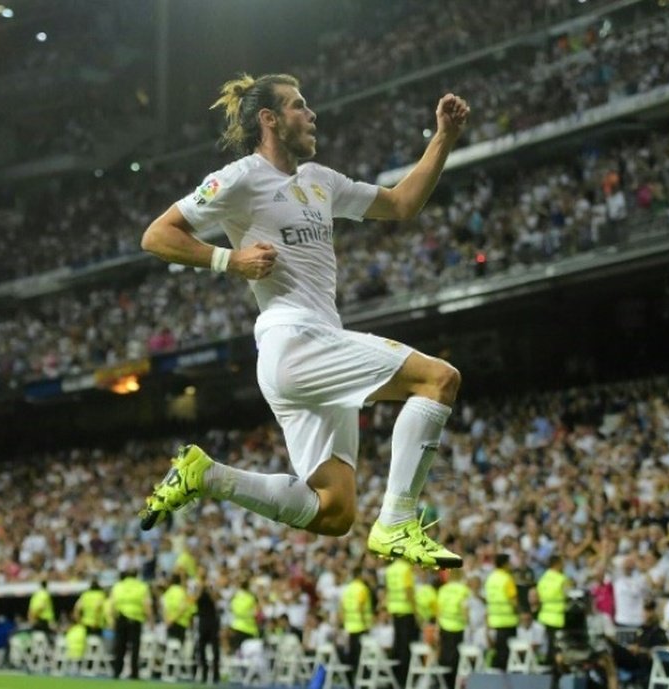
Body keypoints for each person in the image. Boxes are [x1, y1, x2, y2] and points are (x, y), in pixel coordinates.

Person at [137, 72, 470, 569]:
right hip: (291, 338)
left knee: (333, 512)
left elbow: (402, 204)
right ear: (269, 120)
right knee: (438, 379)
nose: (311, 114)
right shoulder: (240, 177)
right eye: (298, 106)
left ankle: (206, 476)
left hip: (313, 348)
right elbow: (157, 236)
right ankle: (399, 520)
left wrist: (443, 138)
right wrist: (231, 261)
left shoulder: (321, 181)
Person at [109, 568, 152, 680]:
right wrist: (150, 620)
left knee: (120, 647)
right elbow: (147, 605)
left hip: (121, 619)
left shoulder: (118, 586)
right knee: (135, 648)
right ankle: (134, 673)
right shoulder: (142, 586)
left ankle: (117, 672)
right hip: (135, 620)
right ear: (137, 575)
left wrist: (113, 620)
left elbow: (112, 605)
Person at [385, 557, 418, 686]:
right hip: (406, 611)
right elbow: (408, 591)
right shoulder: (406, 570)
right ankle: (404, 680)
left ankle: (395, 678)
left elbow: (389, 590)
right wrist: (416, 612)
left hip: (394, 610)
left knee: (397, 645)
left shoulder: (390, 570)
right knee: (405, 647)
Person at [437, 568, 471, 689]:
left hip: (444, 626)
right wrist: (470, 625)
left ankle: (445, 684)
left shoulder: (443, 590)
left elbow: (439, 611)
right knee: (457, 659)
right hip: (458, 627)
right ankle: (456, 684)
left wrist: (438, 627)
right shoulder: (464, 590)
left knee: (445, 658)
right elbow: (465, 609)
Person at [340, 565, 373, 687]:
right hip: (360, 627)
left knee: (351, 657)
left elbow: (342, 608)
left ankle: (351, 682)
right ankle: (363, 682)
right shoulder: (362, 589)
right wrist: (366, 624)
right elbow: (360, 606)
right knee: (362, 658)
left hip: (349, 626)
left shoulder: (347, 589)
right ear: (359, 575)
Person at [485, 553, 518, 670]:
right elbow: (513, 601)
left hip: (494, 620)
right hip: (507, 621)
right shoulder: (507, 579)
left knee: (498, 652)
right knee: (507, 655)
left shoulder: (490, 578)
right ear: (505, 564)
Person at [535, 555, 568, 662]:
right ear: (557, 564)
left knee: (549, 644)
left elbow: (538, 597)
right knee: (557, 647)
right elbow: (568, 595)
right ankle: (555, 669)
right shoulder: (562, 579)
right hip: (558, 618)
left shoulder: (542, 579)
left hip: (544, 616)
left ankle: (547, 665)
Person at [195, 580, 221, 684]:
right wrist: (200, 589)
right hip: (203, 622)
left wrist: (211, 590)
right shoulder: (199, 593)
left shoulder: (212, 593)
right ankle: (204, 673)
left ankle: (215, 674)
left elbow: (216, 601)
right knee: (201, 648)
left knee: (215, 649)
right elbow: (194, 599)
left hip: (212, 622)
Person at [229, 575, 260, 652]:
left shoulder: (234, 597)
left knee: (238, 652)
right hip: (250, 628)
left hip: (237, 626)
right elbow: (256, 613)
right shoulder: (252, 598)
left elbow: (232, 609)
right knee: (250, 653)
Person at [162, 574, 194, 642]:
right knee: (180, 647)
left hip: (170, 623)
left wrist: (168, 620)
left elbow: (165, 608)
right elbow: (183, 608)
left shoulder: (168, 592)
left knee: (171, 646)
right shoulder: (183, 592)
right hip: (182, 623)